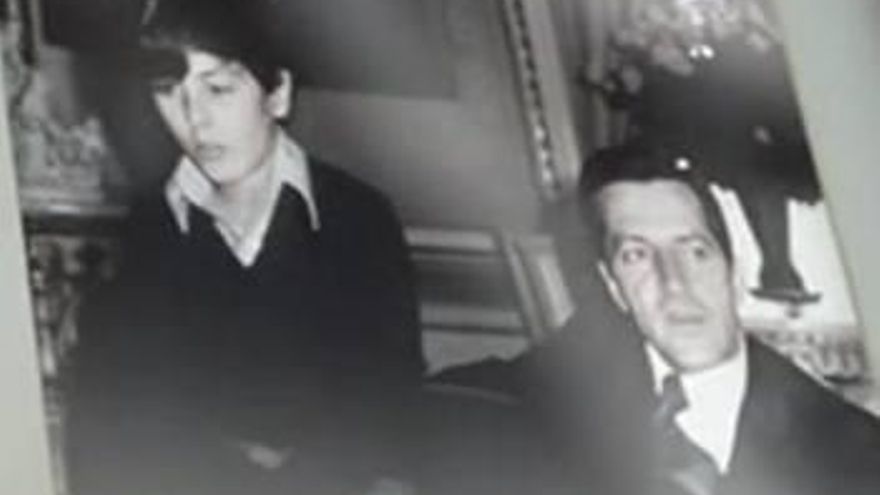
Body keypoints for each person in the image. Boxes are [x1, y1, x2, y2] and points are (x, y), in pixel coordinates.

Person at [64, 1, 424, 494]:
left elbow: (389, 410)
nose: (196, 119)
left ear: (277, 94)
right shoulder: (150, 227)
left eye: (218, 89)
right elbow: (124, 423)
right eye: (168, 91)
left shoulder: (358, 217)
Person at [435, 141, 880, 495]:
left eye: (695, 251)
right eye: (637, 255)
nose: (675, 282)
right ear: (614, 287)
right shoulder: (552, 400)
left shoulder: (853, 453)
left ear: (736, 271)